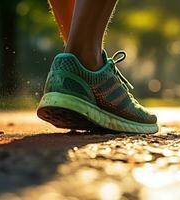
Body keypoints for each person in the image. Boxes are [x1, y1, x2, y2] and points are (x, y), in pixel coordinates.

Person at [37, 0, 158, 133]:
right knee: (84, 56)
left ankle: (71, 72)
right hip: (91, 74)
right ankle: (88, 63)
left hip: (62, 75)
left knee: (75, 55)